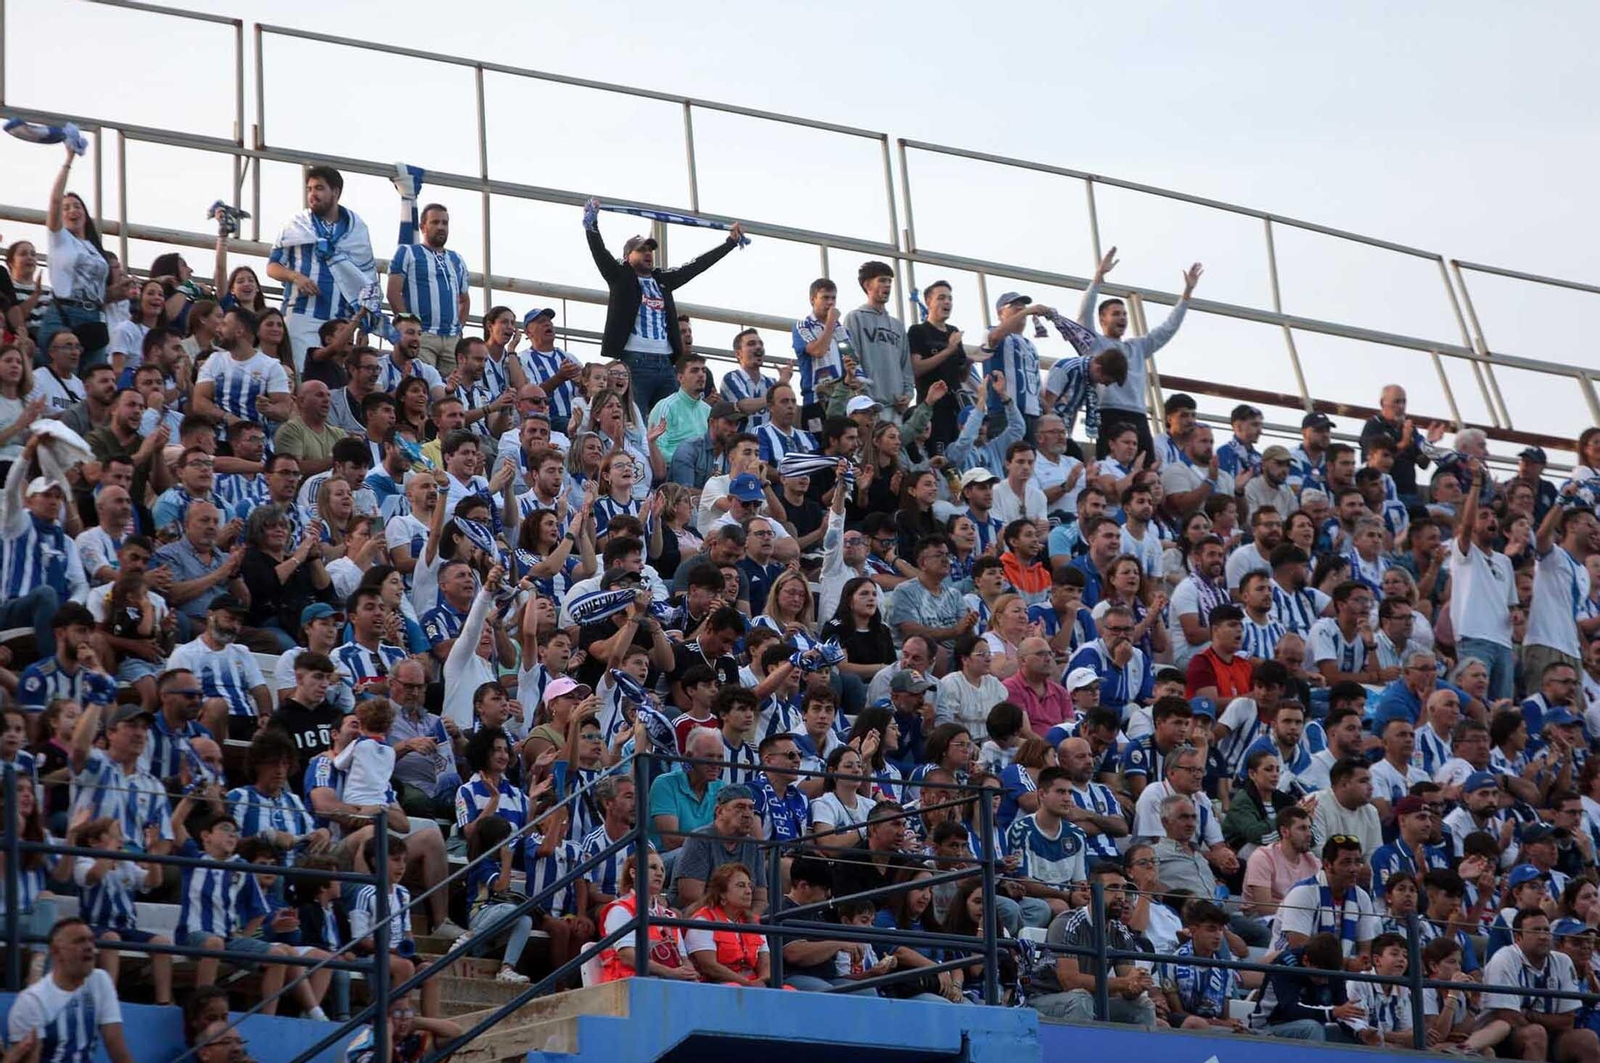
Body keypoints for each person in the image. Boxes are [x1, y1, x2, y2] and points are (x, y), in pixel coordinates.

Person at [584, 199, 742, 415]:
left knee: (671, 421)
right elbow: (599, 252)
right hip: (635, 360)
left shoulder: (663, 280)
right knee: (636, 419)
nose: (648, 253)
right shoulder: (620, 277)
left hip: (666, 362)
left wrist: (730, 243)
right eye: (641, 249)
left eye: (650, 249)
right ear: (627, 257)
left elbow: (696, 266)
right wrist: (591, 224)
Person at [1077, 247, 1202, 458]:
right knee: (1110, 466)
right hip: (1108, 412)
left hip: (1138, 414)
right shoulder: (1095, 344)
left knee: (1146, 468)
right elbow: (1083, 316)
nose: (1122, 318)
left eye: (1125, 314)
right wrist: (1098, 277)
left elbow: (1168, 328)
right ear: (1102, 319)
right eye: (1116, 314)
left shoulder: (1137, 346)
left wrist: (1186, 294)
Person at [266, 166, 373, 371]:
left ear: (335, 192)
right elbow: (272, 267)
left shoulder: (357, 229)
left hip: (340, 321)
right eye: (309, 189)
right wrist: (295, 277)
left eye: (319, 188)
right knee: (300, 375)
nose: (312, 194)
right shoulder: (296, 225)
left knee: (334, 381)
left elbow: (365, 281)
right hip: (301, 315)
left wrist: (363, 325)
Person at [1027, 863, 1155, 1027]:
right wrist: (1125, 982)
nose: (1121, 896)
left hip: (1090, 999)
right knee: (1080, 999)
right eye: (1113, 888)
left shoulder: (1121, 933)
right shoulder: (1066, 923)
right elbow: (1070, 982)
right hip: (1044, 997)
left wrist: (1137, 985)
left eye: (1123, 889)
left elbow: (1127, 986)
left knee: (1143, 1006)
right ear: (1090, 891)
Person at [5, 917, 135, 1063]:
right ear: (56, 951)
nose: (89, 946)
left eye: (91, 940)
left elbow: (114, 1043)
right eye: (79, 941)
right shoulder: (32, 1001)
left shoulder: (100, 980)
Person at [1482, 908, 1599, 1063]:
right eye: (1536, 931)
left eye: (1546, 930)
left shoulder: (1563, 961)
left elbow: (1568, 1021)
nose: (1543, 936)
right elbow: (1508, 1018)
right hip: (1504, 1039)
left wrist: (1530, 1015)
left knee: (1587, 1038)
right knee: (1536, 1034)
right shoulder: (1504, 959)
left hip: (1550, 1037)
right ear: (1518, 937)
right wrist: (1546, 1024)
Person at [1450, 459, 1518, 701]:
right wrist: (1477, 484)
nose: (1492, 520)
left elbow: (1511, 604)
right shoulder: (1464, 552)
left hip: (1503, 642)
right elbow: (1467, 526)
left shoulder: (1505, 561)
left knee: (1503, 707)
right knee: (1475, 703)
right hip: (1474, 637)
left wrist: (1516, 614)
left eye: (1494, 516)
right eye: (1484, 516)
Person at [1276, 835, 1382, 966]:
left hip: (1337, 973)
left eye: (1357, 862)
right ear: (1327, 865)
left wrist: (1361, 963)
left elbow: (1365, 950)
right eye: (1346, 862)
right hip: (1289, 969)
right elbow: (1299, 950)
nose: (1354, 869)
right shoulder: (1302, 893)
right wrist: (1346, 964)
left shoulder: (1362, 897)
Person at [596, 850, 696, 982]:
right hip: (627, 984)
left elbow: (683, 959)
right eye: (653, 867)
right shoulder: (620, 909)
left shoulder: (669, 916)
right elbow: (628, 957)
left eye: (662, 869)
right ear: (633, 873)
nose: (660, 873)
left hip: (663, 984)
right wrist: (671, 973)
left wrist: (689, 975)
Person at [1253, 931, 1362, 1042]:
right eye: (1320, 975)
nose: (1325, 982)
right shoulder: (1285, 965)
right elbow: (1290, 1009)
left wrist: (1360, 1031)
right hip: (1268, 1026)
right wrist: (1332, 1012)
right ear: (1306, 961)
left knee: (1353, 1036)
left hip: (1308, 1024)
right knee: (1312, 1028)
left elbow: (1342, 1009)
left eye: (1328, 977)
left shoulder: (1334, 971)